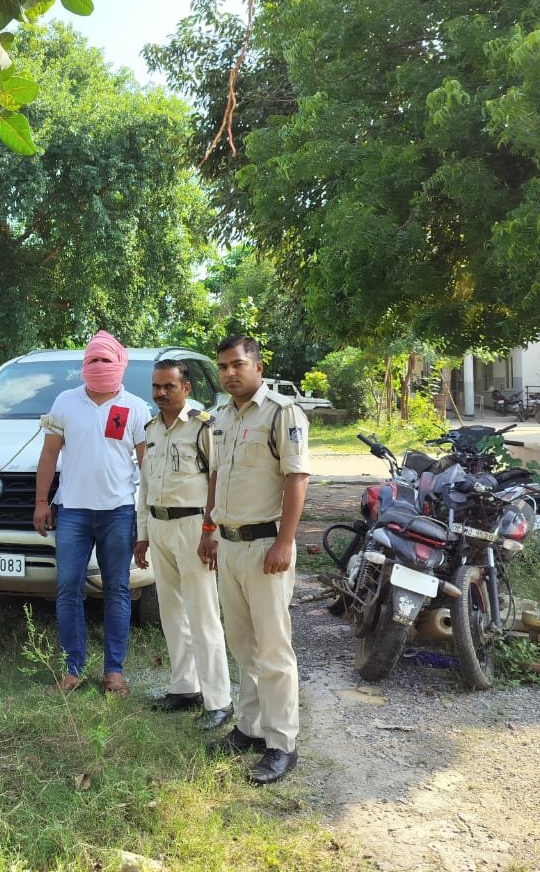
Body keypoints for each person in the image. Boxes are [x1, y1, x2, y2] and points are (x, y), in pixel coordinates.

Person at [200, 335, 310, 784]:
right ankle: (249, 727)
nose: (229, 373)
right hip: (228, 544)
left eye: (238, 364)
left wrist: (285, 542)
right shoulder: (221, 416)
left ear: (258, 368)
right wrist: (209, 529)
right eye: (223, 366)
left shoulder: (282, 413)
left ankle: (282, 742)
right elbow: (216, 475)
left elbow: (297, 478)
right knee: (242, 642)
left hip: (266, 547)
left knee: (273, 647)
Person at [33, 331, 150, 696]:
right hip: (73, 512)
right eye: (92, 360)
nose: (99, 366)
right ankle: (73, 670)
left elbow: (148, 465)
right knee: (68, 589)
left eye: (106, 360)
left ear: (120, 364)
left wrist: (146, 517)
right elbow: (49, 454)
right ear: (83, 365)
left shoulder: (136, 407)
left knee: (117, 590)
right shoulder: (65, 402)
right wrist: (41, 502)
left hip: (119, 512)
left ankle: (114, 672)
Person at [133, 359, 234, 730]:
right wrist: (142, 535)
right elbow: (145, 487)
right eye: (156, 387)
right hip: (159, 525)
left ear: (186, 388)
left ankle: (219, 701)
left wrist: (210, 530)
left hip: (193, 526)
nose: (161, 393)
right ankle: (184, 687)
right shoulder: (151, 429)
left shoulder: (203, 426)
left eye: (169, 386)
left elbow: (218, 480)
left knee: (202, 613)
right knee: (171, 613)